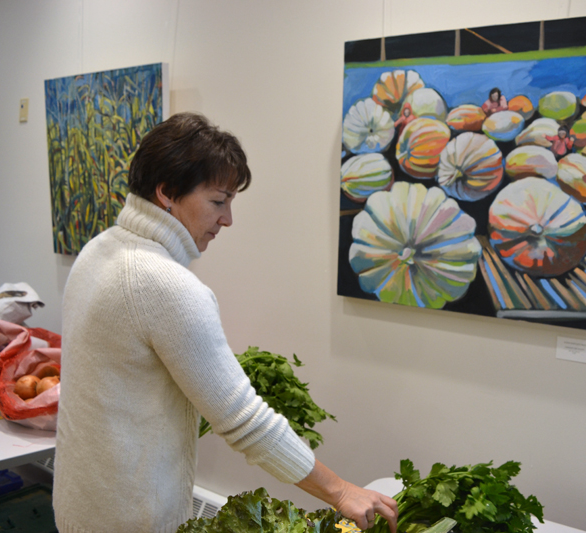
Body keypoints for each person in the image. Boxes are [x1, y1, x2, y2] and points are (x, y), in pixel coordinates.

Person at [53, 112, 398, 533]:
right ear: (166, 193)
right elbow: (244, 419)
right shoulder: (165, 285)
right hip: (131, 520)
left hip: (79, 505)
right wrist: (342, 491)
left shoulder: (98, 250)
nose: (228, 219)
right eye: (218, 201)